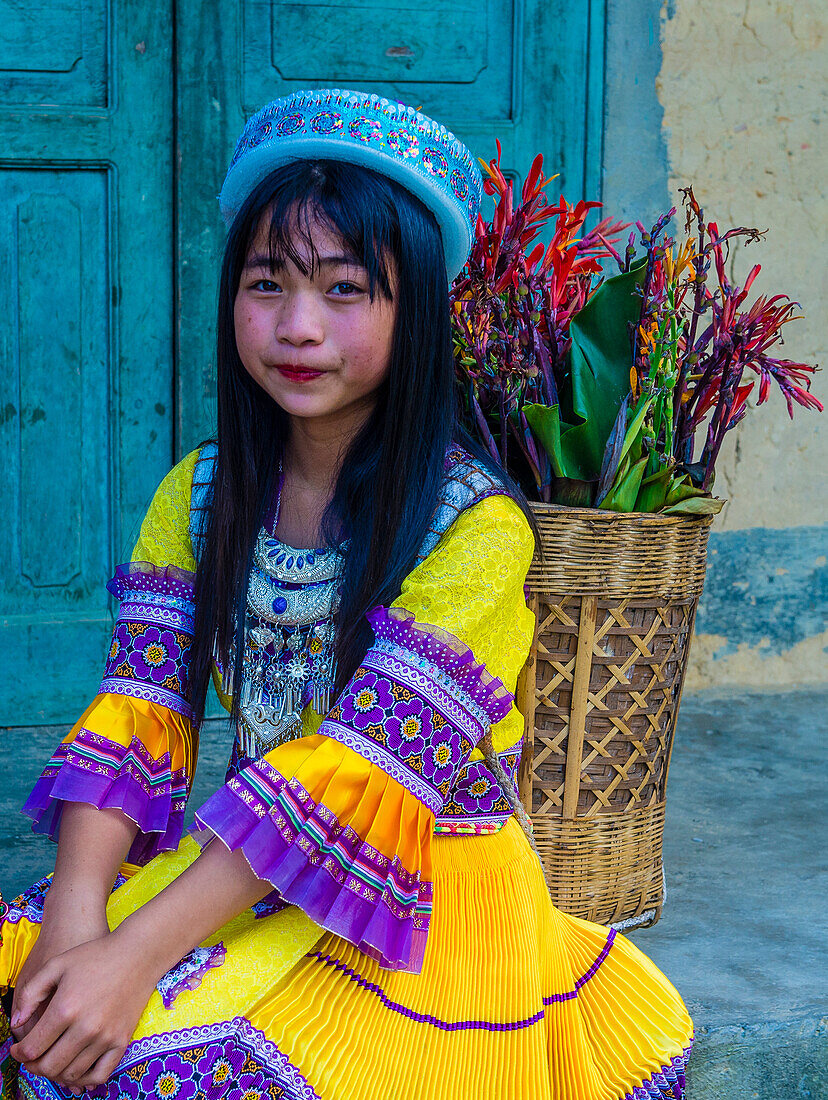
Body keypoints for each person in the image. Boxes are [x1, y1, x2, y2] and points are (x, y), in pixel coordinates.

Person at [0, 89, 694, 1100]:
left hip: (424, 903)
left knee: (171, 1071)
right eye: (266, 282)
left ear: (413, 312)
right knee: (33, 990)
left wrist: (134, 954)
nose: (297, 325)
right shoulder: (198, 493)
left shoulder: (476, 530)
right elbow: (138, 707)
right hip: (247, 869)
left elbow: (348, 782)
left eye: (345, 289)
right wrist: (76, 923)